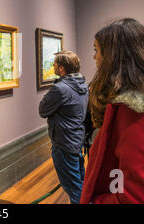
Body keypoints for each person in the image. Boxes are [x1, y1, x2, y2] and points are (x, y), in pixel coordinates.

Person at [80, 18, 144, 204]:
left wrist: (96, 201)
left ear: (114, 57)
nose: (94, 57)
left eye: (97, 50)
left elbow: (138, 198)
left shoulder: (136, 113)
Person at [39, 51, 88, 204]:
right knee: (81, 183)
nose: (52, 65)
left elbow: (42, 110)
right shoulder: (82, 84)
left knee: (74, 189)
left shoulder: (60, 89)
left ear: (61, 69)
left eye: (54, 63)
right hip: (76, 140)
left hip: (64, 144)